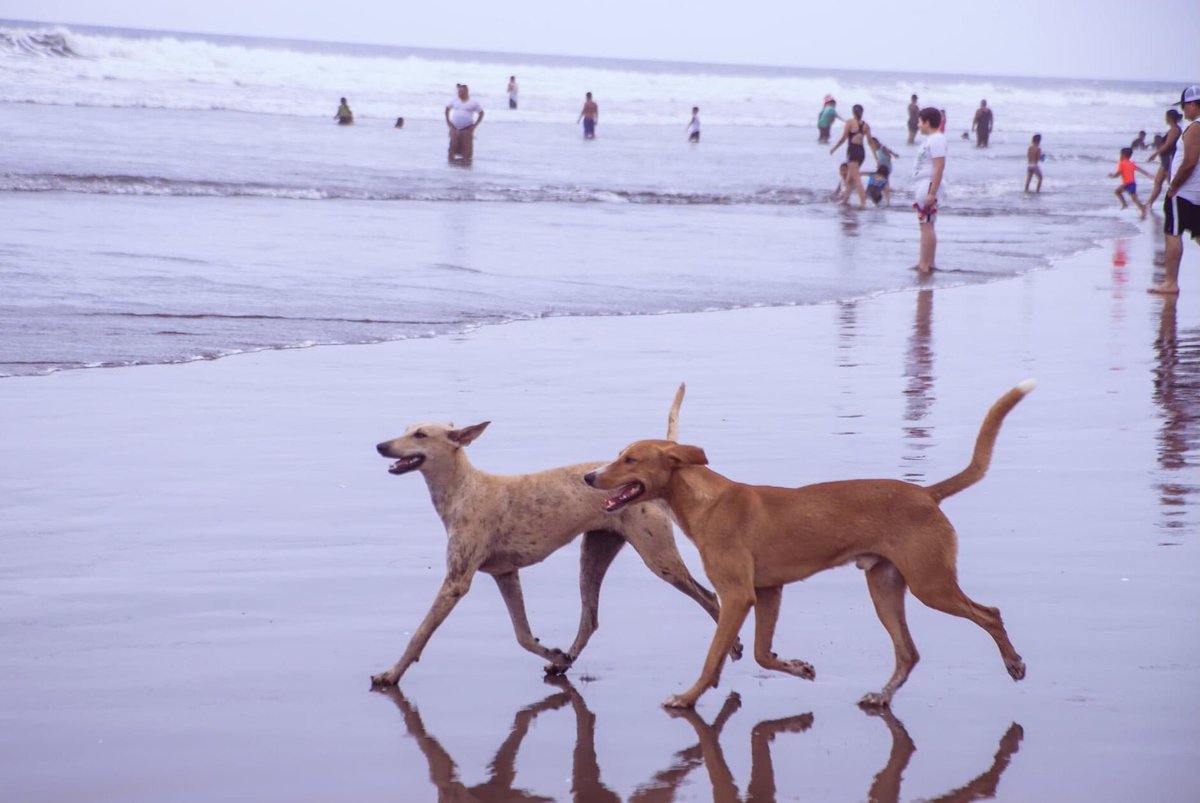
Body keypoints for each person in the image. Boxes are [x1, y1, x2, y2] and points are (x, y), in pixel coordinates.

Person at [1150, 85, 1200, 296]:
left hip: (1184, 192)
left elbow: (1189, 162)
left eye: (1184, 106)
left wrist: (1173, 186)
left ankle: (1170, 282)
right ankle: (1170, 282)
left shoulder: (1195, 127)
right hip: (1196, 193)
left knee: (1172, 233)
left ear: (1192, 104)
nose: (1183, 112)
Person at [912, 107, 947, 273]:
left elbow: (939, 167)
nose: (918, 125)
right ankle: (927, 262)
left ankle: (925, 264)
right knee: (926, 224)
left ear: (927, 122)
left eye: (920, 121)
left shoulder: (937, 139)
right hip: (923, 183)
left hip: (928, 184)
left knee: (926, 224)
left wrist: (932, 192)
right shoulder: (931, 139)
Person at [830, 104, 871, 208]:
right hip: (861, 152)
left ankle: (863, 204)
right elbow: (870, 142)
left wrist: (834, 148)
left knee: (856, 179)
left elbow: (843, 138)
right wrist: (876, 156)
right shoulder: (866, 125)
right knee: (849, 179)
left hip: (853, 151)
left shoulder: (849, 122)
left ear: (853, 112)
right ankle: (845, 200)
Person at [1145, 109, 1184, 209]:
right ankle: (1149, 204)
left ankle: (1177, 204)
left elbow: (1168, 145)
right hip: (1164, 160)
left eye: (1166, 117)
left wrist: (1155, 154)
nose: (1165, 119)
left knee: (1171, 184)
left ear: (1170, 118)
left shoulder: (1175, 129)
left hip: (1169, 160)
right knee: (1157, 182)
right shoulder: (1173, 129)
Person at [445, 83, 484, 165]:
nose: (459, 93)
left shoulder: (473, 102)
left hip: (467, 128)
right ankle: (451, 166)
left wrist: (475, 125)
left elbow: (481, 113)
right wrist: (448, 121)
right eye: (458, 91)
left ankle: (466, 169)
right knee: (452, 149)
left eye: (461, 91)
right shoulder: (455, 101)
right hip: (455, 128)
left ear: (466, 92)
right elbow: (447, 109)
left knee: (466, 151)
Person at [1110, 146, 1153, 216]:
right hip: (1131, 183)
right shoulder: (1131, 163)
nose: (1120, 156)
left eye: (1120, 154)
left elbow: (1118, 174)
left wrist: (1112, 176)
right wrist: (1149, 175)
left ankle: (1143, 210)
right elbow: (1140, 169)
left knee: (1134, 199)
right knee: (1118, 192)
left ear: (1123, 155)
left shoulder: (1121, 163)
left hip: (1127, 184)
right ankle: (1125, 205)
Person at [866, 136, 899, 205]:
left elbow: (888, 152)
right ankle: (883, 189)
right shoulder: (876, 149)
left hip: (886, 166)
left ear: (877, 142)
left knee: (885, 178)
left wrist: (892, 155)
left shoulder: (882, 147)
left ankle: (886, 190)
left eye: (873, 143)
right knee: (881, 178)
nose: (873, 145)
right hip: (881, 166)